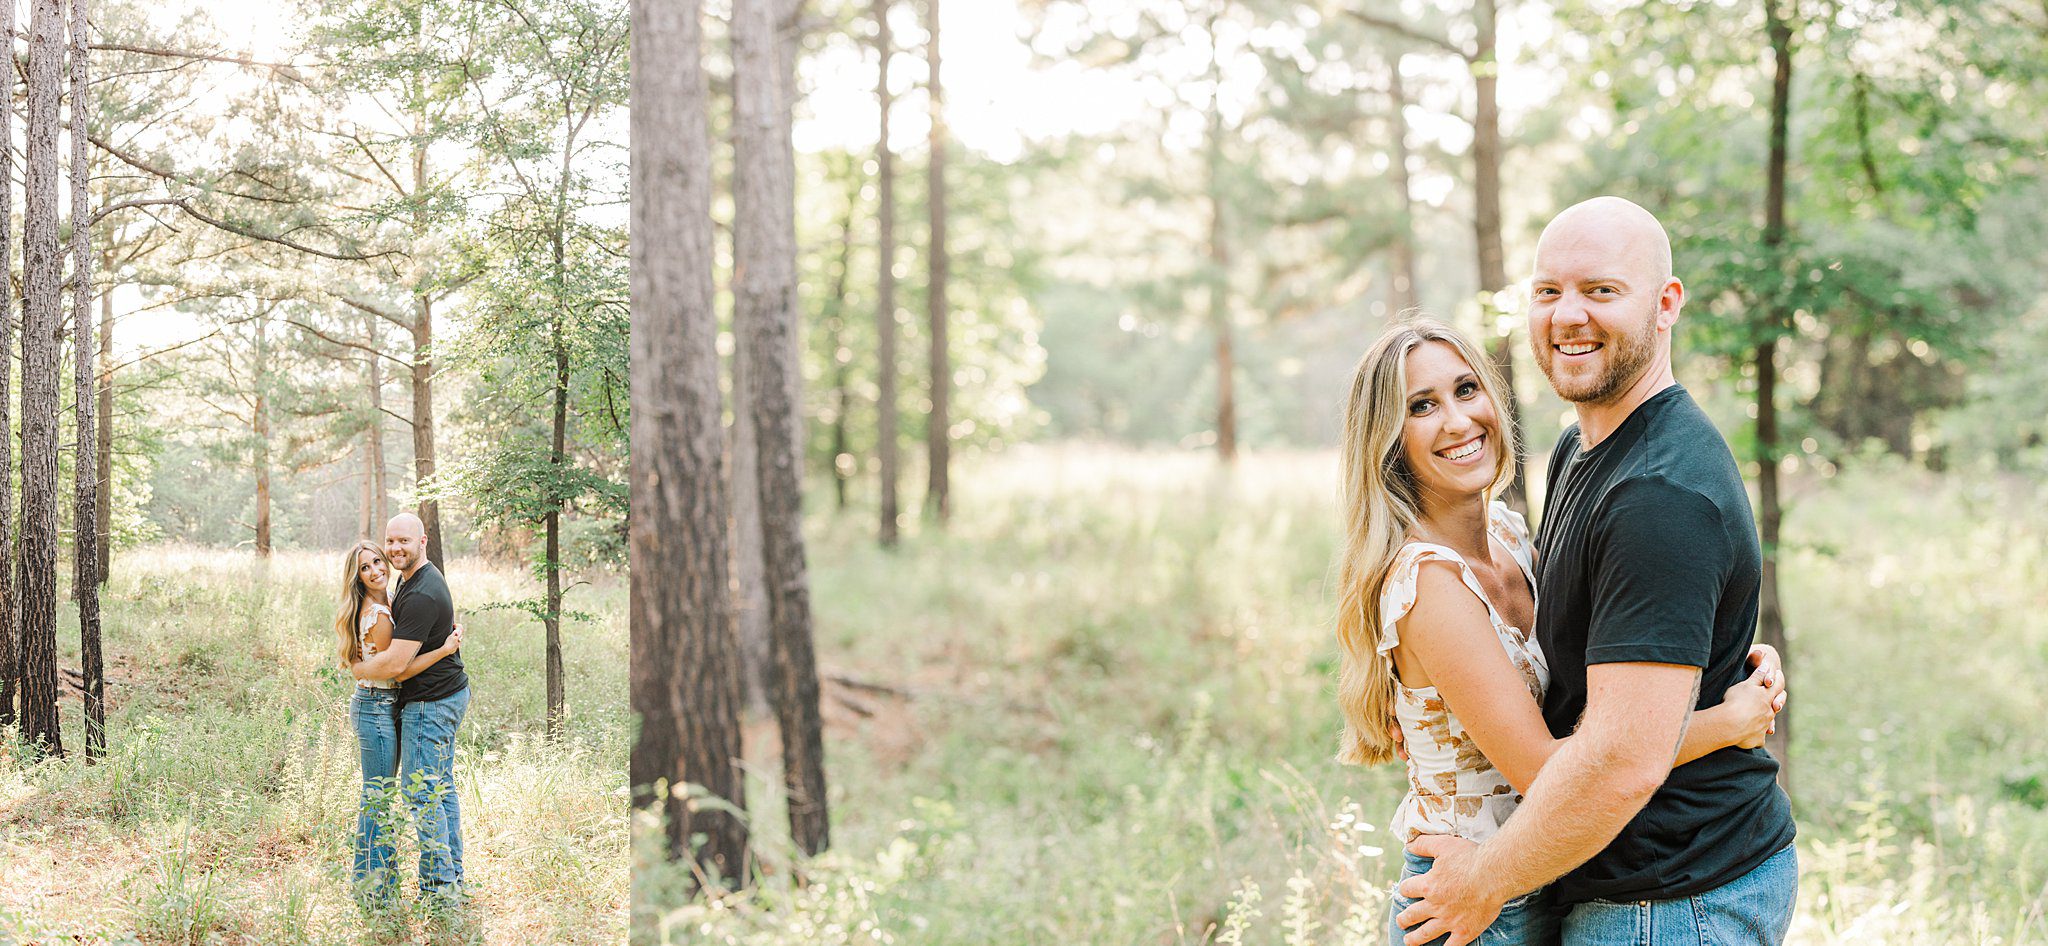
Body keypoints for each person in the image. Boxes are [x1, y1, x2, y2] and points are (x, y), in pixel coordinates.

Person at [1390, 197, 1799, 946]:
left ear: (1666, 304)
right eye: (1549, 292)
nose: (1568, 315)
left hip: (1671, 895)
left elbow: (1619, 762)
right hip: (1594, 875)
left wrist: (1483, 880)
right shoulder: (1580, 451)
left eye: (1601, 291)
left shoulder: (1657, 495)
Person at [350, 512, 472, 912]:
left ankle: (439, 891)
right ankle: (451, 878)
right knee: (439, 788)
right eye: (391, 541)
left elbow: (394, 666)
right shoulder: (413, 578)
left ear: (423, 541)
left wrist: (359, 670)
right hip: (444, 694)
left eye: (404, 540)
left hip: (429, 703)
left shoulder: (418, 592)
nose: (395, 548)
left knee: (422, 792)